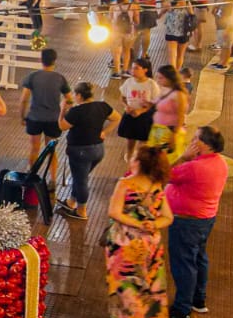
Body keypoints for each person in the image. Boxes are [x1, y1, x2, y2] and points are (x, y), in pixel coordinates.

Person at [100, 145, 173, 318]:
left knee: (124, 284)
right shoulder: (156, 185)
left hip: (125, 242)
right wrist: (153, 223)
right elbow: (168, 217)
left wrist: (137, 224)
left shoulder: (125, 184)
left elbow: (114, 212)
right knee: (150, 282)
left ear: (139, 163)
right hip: (151, 243)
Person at [165, 126, 229, 318]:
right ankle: (198, 300)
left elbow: (166, 174)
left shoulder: (193, 167)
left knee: (184, 264)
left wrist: (183, 157)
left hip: (186, 222)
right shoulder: (220, 163)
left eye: (196, 139)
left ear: (205, 145)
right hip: (205, 219)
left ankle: (181, 310)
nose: (192, 141)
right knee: (199, 258)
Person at [58, 81, 120, 220]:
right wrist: (104, 132)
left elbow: (62, 126)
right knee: (81, 177)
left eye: (75, 94)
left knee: (81, 181)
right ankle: (71, 202)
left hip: (80, 151)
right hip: (98, 150)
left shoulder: (76, 111)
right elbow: (117, 118)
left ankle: (82, 211)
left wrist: (62, 110)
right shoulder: (102, 106)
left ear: (79, 95)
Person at [18, 48, 70, 167]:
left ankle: (31, 175)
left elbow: (23, 99)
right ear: (54, 61)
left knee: (34, 149)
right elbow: (69, 99)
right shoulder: (60, 78)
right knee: (51, 150)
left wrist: (22, 117)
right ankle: (52, 179)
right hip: (53, 119)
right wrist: (63, 113)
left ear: (41, 60)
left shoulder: (32, 76)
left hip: (34, 118)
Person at [116, 57, 158, 162]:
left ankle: (138, 160)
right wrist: (126, 107)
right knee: (130, 139)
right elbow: (122, 97)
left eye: (136, 68)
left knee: (142, 141)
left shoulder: (151, 84)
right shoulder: (129, 81)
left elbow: (155, 102)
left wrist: (141, 111)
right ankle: (129, 157)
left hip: (145, 116)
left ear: (145, 70)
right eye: (132, 68)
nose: (132, 71)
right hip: (130, 114)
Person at [147, 64, 189, 156]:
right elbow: (156, 103)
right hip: (158, 128)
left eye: (161, 78)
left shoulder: (179, 95)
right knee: (155, 155)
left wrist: (174, 135)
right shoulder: (164, 89)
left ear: (169, 78)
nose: (158, 80)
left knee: (165, 157)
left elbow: (181, 115)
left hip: (169, 130)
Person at [161, 0, 194, 71]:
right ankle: (177, 72)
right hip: (184, 32)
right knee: (180, 55)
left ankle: (173, 73)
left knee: (172, 55)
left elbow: (160, 14)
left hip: (171, 32)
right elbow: (192, 15)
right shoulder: (186, 3)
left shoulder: (169, 3)